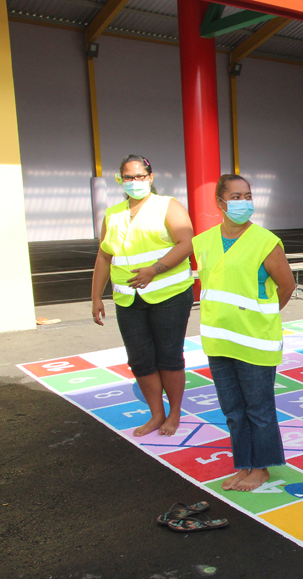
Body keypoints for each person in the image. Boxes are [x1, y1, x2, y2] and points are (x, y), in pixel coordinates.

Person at [195, 174, 295, 492]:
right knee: (233, 410)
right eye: (236, 197)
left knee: (258, 408)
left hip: (254, 339)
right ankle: (244, 464)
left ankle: (261, 468)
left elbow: (286, 286)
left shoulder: (265, 242)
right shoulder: (203, 242)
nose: (244, 202)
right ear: (220, 202)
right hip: (218, 338)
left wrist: (261, 316)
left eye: (248, 196)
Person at [91, 155, 194, 437]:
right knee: (140, 359)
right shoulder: (113, 214)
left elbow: (186, 243)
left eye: (140, 176)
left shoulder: (167, 206)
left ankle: (174, 413)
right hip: (128, 300)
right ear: (120, 180)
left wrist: (154, 270)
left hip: (170, 295)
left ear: (150, 177)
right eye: (128, 177)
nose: (134, 182)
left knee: (169, 357)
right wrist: (96, 296)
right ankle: (156, 414)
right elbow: (104, 256)